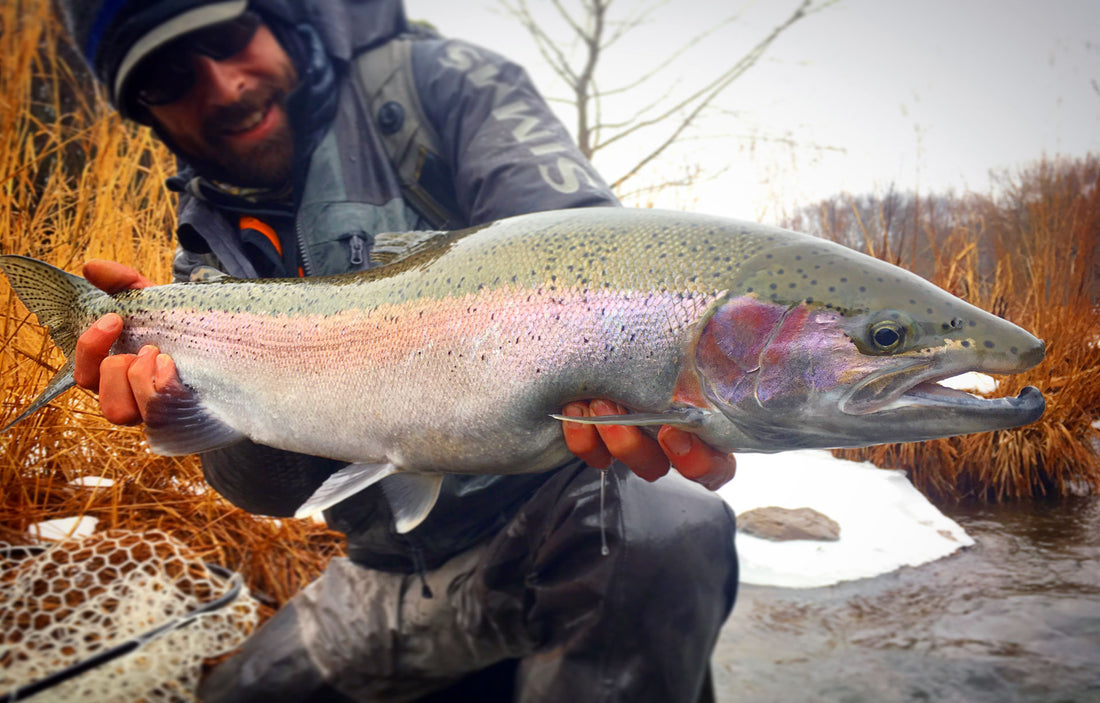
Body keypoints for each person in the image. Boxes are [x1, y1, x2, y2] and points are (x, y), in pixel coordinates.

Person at [57, 1, 739, 700]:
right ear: (144, 112)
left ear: (276, 15)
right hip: (384, 568)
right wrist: (176, 400)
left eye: (229, 37)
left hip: (556, 525)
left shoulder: (445, 84)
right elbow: (269, 494)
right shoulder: (206, 245)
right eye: (169, 78)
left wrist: (649, 348)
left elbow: (577, 236)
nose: (224, 84)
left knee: (670, 522)